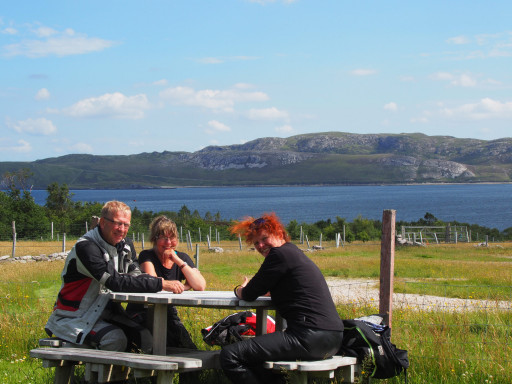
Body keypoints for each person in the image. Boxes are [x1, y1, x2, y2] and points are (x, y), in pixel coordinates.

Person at [220, 213, 344, 384]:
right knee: (257, 359)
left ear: (279, 233)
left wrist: (239, 289)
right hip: (333, 338)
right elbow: (287, 287)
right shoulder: (292, 252)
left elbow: (248, 294)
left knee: (230, 355)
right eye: (256, 243)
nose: (261, 245)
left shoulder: (278, 255)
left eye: (264, 238)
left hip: (309, 336)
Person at [45, 201, 182, 352]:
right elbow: (113, 281)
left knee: (145, 337)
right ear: (103, 222)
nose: (122, 229)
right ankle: (94, 375)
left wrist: (151, 281)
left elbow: (136, 274)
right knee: (115, 339)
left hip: (105, 313)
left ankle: (139, 375)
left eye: (126, 225)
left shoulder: (125, 246)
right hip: (74, 318)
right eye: (118, 223)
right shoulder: (87, 247)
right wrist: (160, 284)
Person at [127, 215, 206, 349]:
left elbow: (200, 286)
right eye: (164, 238)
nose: (168, 242)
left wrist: (178, 261)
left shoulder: (182, 257)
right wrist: (186, 285)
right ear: (155, 239)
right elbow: (154, 284)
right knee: (163, 346)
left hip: (168, 314)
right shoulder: (147, 256)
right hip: (143, 313)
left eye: (172, 238)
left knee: (188, 348)